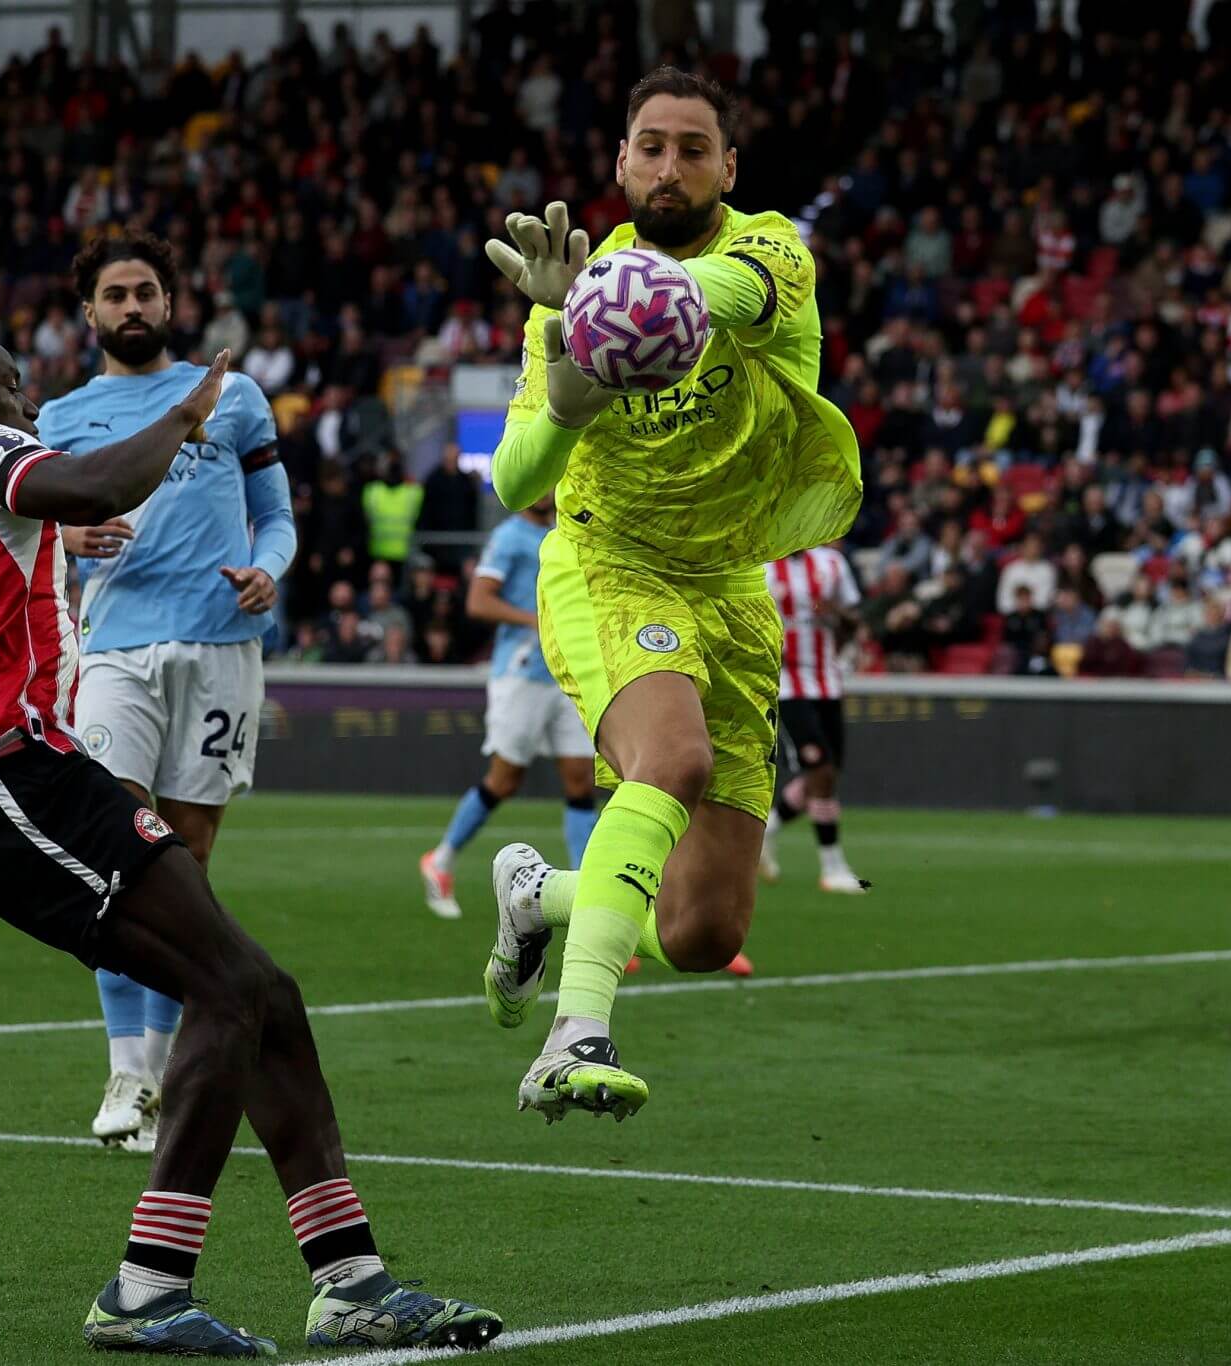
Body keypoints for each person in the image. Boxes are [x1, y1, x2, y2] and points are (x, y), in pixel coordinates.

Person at [0, 326, 498, 1355]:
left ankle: (349, 1280)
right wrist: (189, 413)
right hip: (12, 782)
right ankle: (147, 1289)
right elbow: (97, 483)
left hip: (34, 783)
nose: (28, 405)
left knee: (262, 993)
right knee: (229, 990)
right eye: (10, 387)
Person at [477, 67, 861, 1121]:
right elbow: (514, 479)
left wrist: (614, 311)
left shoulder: (770, 247)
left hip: (732, 582)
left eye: (693, 148)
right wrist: (567, 381)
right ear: (618, 162)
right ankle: (573, 1033)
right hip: (607, 562)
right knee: (671, 759)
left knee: (702, 932)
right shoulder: (569, 289)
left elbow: (724, 296)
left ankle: (539, 895)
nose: (669, 165)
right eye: (650, 145)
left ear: (727, 168)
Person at [36, 232, 297, 1156]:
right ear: (91, 313)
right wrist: (64, 543)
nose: (133, 307)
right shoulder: (63, 417)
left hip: (224, 648)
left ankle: (161, 1075)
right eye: (117, 295)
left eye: (147, 290)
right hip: (114, 651)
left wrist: (269, 571)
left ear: (171, 302)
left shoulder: (233, 396)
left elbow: (278, 518)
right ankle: (128, 1071)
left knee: (183, 862)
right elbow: (28, 533)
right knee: (115, 841)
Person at [418, 496, 600, 919]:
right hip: (522, 674)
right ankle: (441, 859)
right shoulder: (509, 537)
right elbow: (479, 601)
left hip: (567, 674)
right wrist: (534, 619)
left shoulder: (569, 533)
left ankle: (589, 900)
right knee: (505, 779)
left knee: (580, 781)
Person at [761, 543, 868, 894]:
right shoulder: (761, 565)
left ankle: (768, 831)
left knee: (827, 775)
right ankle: (832, 866)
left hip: (828, 682)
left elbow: (854, 618)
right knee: (820, 770)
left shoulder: (832, 562)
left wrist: (837, 614)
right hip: (787, 686)